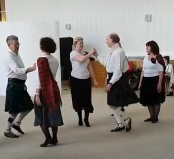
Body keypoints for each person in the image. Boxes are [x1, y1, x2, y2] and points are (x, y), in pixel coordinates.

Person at [95, 33, 139, 132]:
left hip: (117, 79)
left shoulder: (119, 52)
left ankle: (124, 121)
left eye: (107, 39)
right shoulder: (112, 51)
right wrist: (97, 55)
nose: (106, 41)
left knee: (115, 102)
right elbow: (106, 64)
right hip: (112, 77)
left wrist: (111, 83)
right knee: (112, 103)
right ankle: (122, 123)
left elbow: (118, 70)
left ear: (113, 40)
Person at [34, 37, 63, 147]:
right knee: (53, 113)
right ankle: (54, 138)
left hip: (43, 91)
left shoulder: (40, 60)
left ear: (41, 47)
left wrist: (37, 94)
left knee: (41, 116)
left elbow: (40, 79)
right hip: (53, 89)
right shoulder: (55, 61)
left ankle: (48, 138)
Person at [4, 35, 35, 138]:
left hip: (20, 85)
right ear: (9, 45)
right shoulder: (9, 57)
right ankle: (7, 130)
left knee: (29, 106)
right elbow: (17, 70)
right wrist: (31, 68)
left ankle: (16, 124)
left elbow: (21, 68)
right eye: (15, 44)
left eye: (18, 44)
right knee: (14, 111)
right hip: (14, 86)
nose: (18, 46)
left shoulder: (16, 55)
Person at [70, 37, 98, 127]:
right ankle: (79, 118)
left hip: (85, 79)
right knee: (78, 99)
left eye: (82, 43)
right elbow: (81, 59)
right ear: (75, 45)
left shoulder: (85, 54)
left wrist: (94, 80)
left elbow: (90, 68)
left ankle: (86, 118)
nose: (81, 45)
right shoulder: (73, 53)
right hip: (76, 80)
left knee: (87, 99)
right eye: (79, 43)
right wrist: (90, 53)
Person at [139, 40, 165, 123]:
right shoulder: (145, 58)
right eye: (146, 47)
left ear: (152, 47)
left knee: (155, 99)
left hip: (155, 80)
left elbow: (161, 71)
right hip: (146, 80)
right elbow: (143, 71)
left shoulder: (158, 57)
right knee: (148, 99)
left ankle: (155, 117)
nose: (146, 48)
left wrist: (160, 83)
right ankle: (151, 116)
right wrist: (140, 83)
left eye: (148, 46)